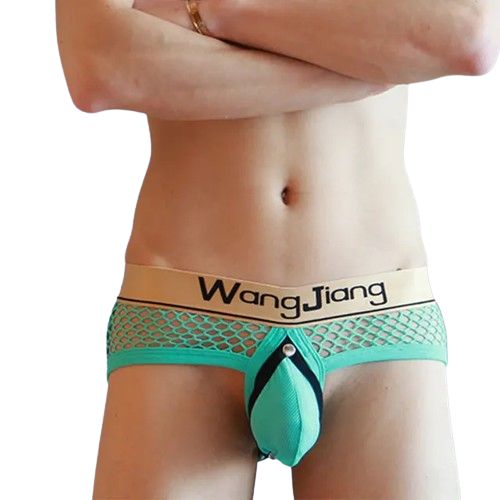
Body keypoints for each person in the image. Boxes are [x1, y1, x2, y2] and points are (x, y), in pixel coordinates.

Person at [56, 0, 499, 498]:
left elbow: (468, 34)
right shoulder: (369, 75)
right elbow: (98, 65)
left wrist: (212, 11)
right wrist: (364, 68)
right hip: (185, 320)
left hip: (375, 320)